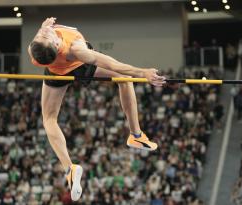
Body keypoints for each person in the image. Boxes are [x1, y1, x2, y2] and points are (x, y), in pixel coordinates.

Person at [28, 17, 166, 201]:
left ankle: (70, 168)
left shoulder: (36, 50)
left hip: (55, 71)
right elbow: (112, 64)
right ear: (54, 43)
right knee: (124, 79)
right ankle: (136, 135)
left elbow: (41, 40)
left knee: (49, 119)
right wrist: (143, 72)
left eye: (43, 34)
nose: (44, 33)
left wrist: (44, 28)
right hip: (79, 65)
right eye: (45, 35)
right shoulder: (76, 49)